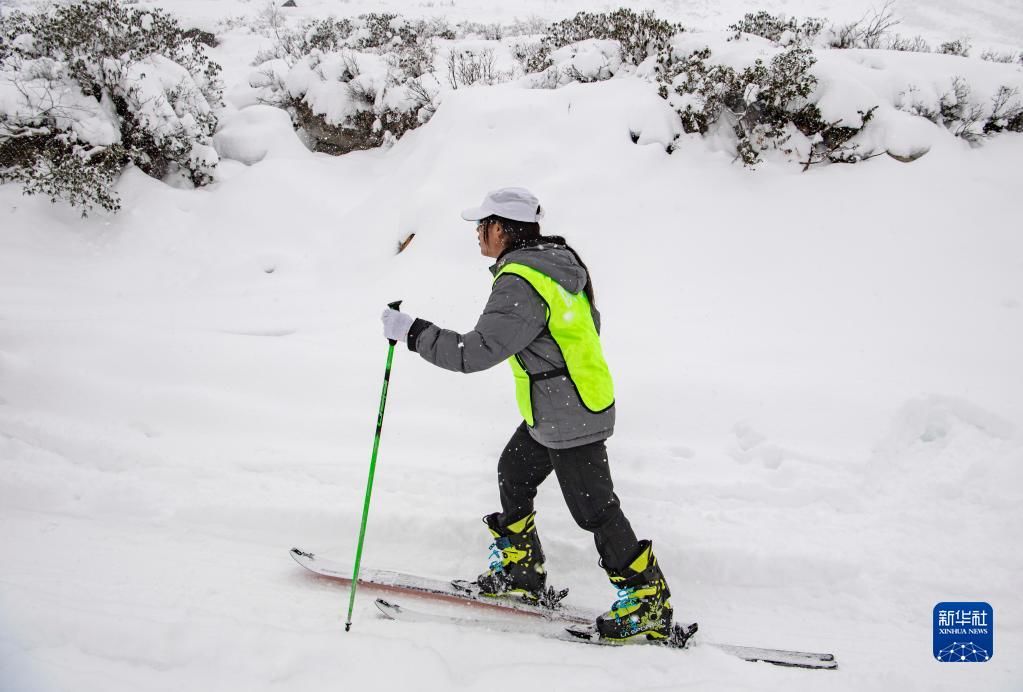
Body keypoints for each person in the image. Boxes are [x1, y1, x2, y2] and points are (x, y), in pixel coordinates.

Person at [380, 187, 674, 642]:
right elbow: (586, 325)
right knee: (514, 472)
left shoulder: (521, 279)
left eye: (482, 226)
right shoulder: (556, 263)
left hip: (569, 413)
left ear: (501, 228)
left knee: (594, 508)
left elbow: (472, 353)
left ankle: (646, 600)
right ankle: (521, 572)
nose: (478, 235)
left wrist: (413, 332)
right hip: (562, 404)